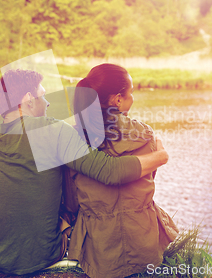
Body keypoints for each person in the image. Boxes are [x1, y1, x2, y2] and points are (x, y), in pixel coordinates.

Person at [0, 68, 169, 275]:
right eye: (43, 96)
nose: (47, 103)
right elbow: (110, 172)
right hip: (46, 254)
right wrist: (160, 157)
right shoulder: (54, 131)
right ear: (28, 100)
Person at [66, 63, 179, 278]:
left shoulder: (74, 137)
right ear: (118, 99)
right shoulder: (146, 134)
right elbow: (150, 178)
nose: (133, 97)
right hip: (144, 244)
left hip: (100, 249)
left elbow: (71, 197)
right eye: (132, 92)